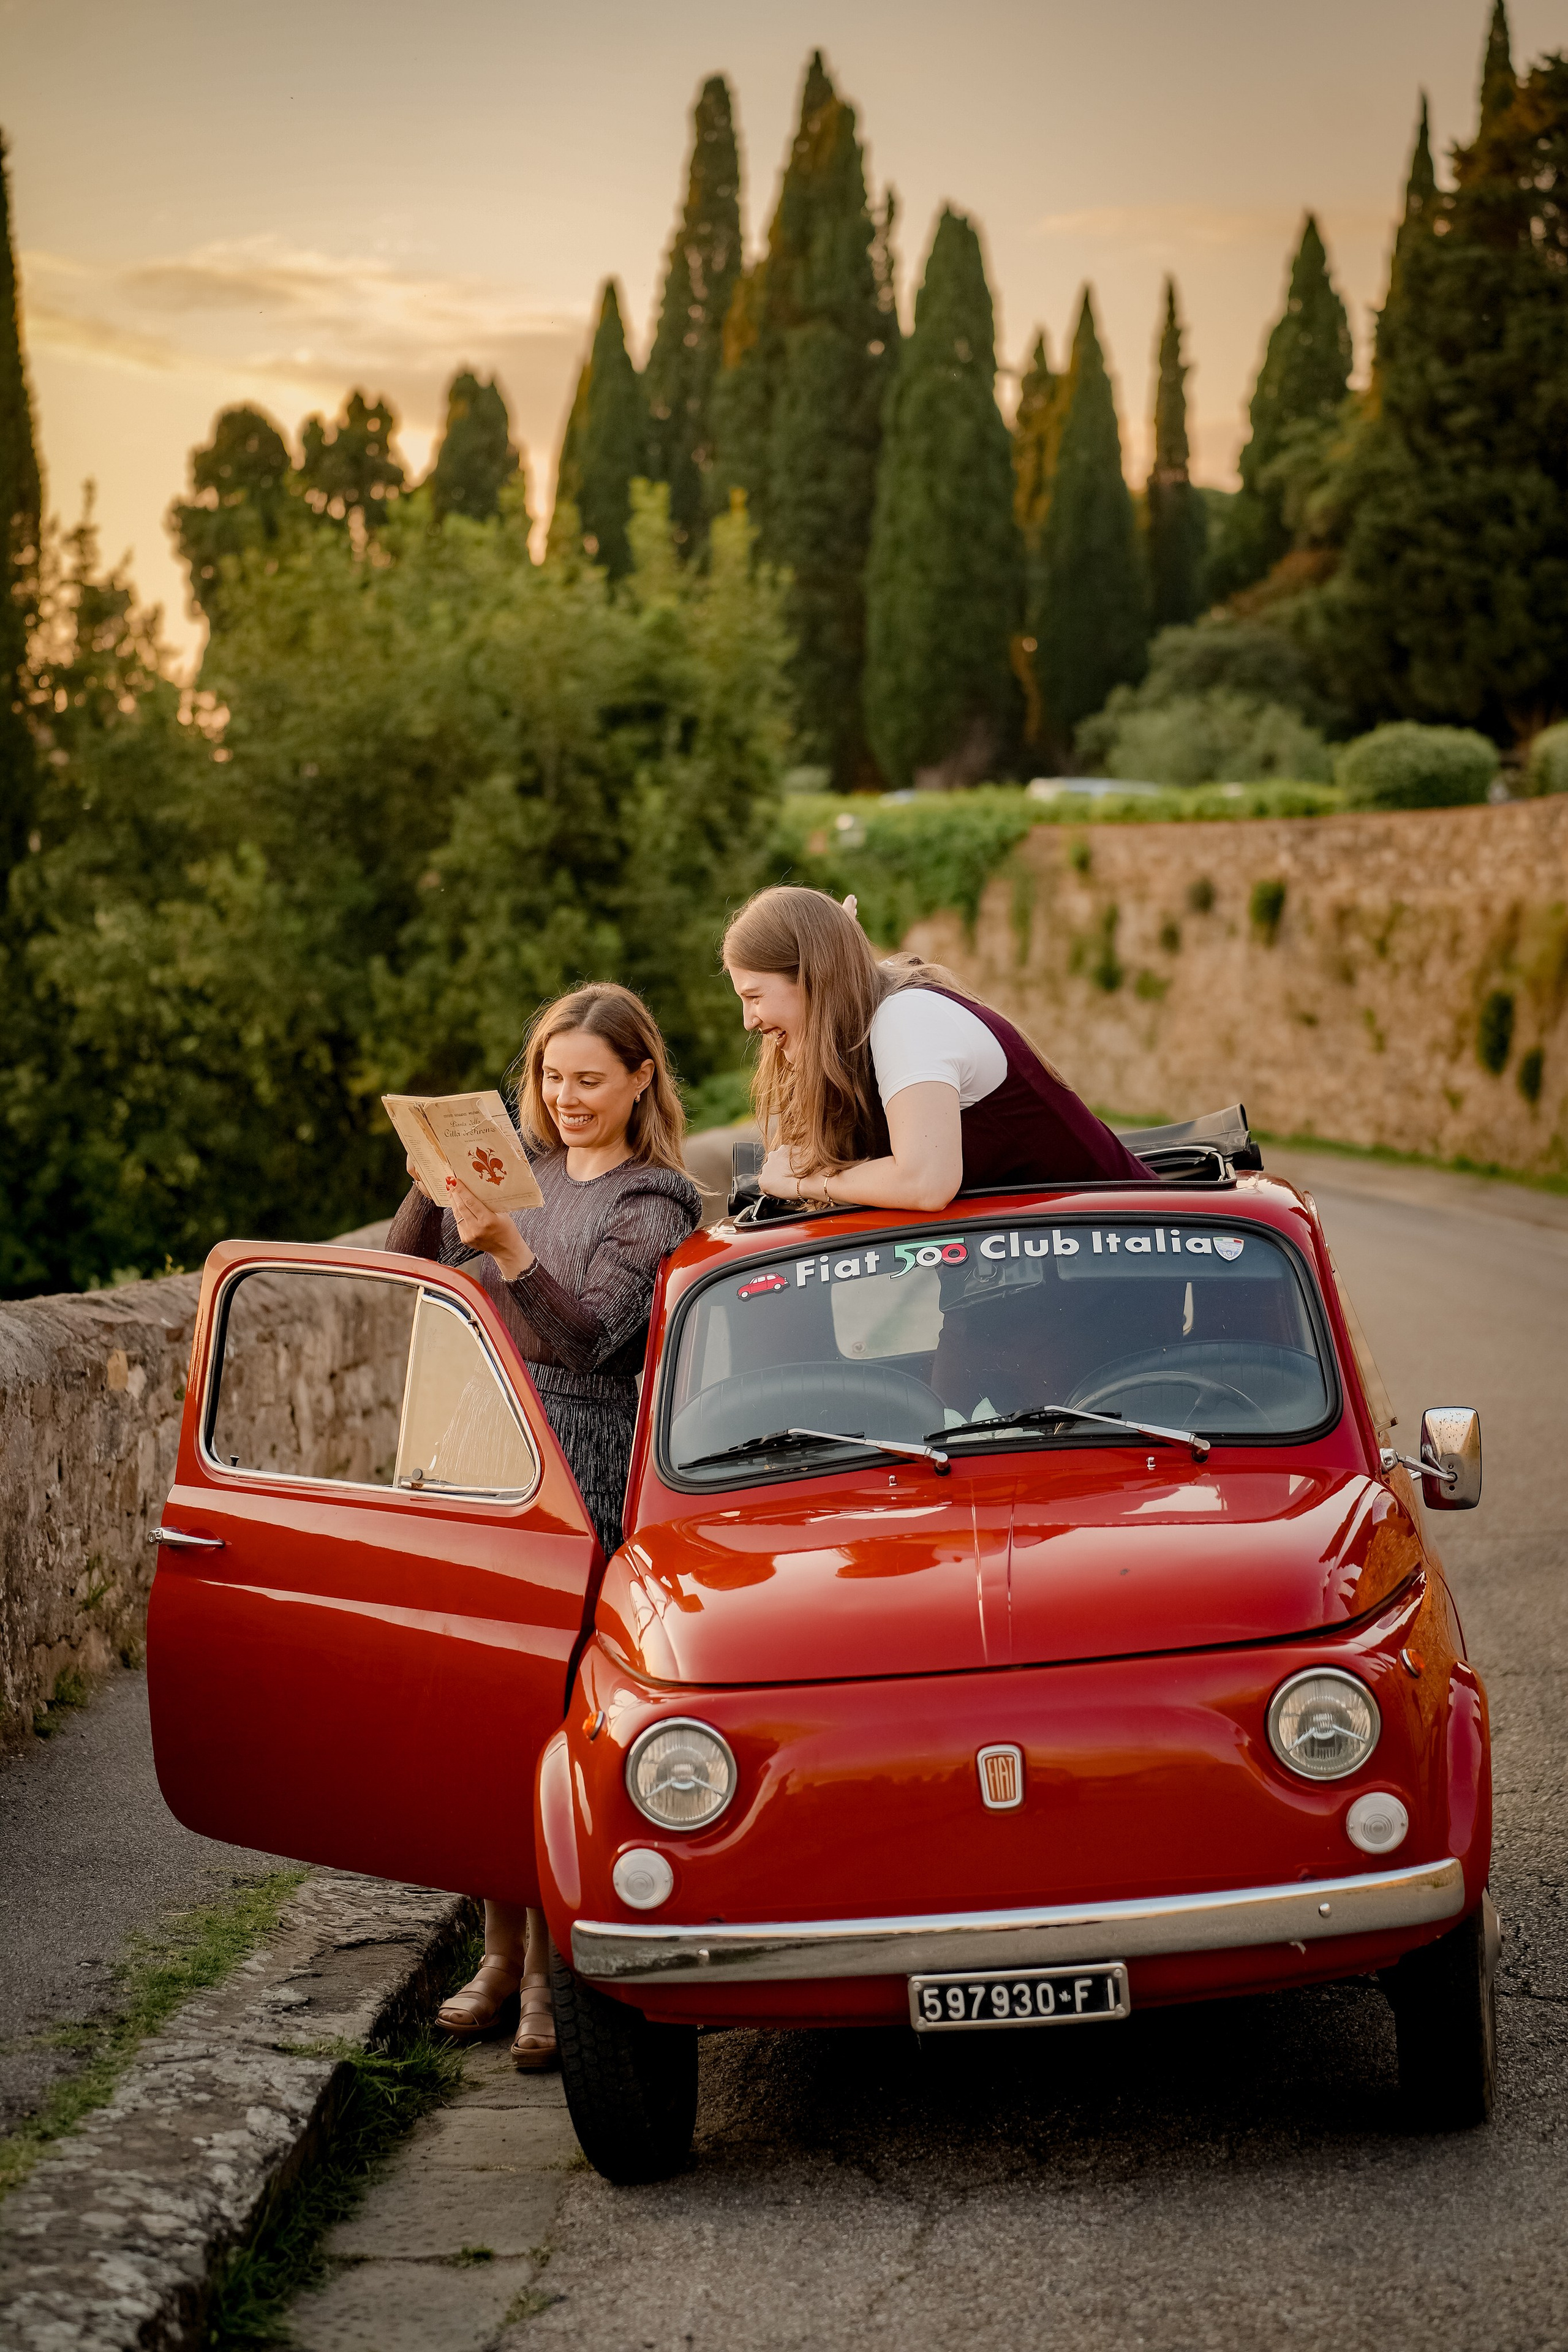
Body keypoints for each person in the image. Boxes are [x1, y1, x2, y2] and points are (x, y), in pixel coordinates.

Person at [384, 984, 702, 2066]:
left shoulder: (657, 1201)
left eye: (589, 1080)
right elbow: (412, 1280)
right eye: (552, 1079)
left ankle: (559, 1987)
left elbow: (599, 1341)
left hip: (582, 1475)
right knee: (488, 1720)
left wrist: (512, 1253)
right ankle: (498, 1959)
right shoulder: (518, 1177)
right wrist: (435, 1193)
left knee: (561, 1728)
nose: (567, 1100)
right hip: (481, 1459)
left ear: (640, 1080)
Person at [722, 884, 1153, 1208]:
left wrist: (803, 1183)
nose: (748, 1020)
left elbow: (926, 1182)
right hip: (1058, 1258)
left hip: (1118, 1250)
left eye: (755, 996)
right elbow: (804, 1141)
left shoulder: (908, 1020)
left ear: (815, 977)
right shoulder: (874, 1010)